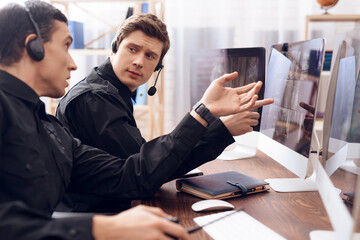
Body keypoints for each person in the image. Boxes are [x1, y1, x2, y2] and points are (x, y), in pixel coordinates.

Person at [0, 1, 265, 239]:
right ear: (32, 46)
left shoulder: (48, 128)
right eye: (66, 46)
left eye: (150, 56)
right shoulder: (89, 99)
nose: (72, 63)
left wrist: (204, 117)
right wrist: (102, 227)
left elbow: (134, 174)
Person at [56, 13, 274, 212]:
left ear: (157, 67)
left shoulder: (111, 92)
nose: (139, 62)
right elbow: (146, 174)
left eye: (150, 56)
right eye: (132, 49)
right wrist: (212, 122)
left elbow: (155, 164)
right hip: (95, 217)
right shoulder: (95, 99)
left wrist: (221, 130)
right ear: (115, 48)